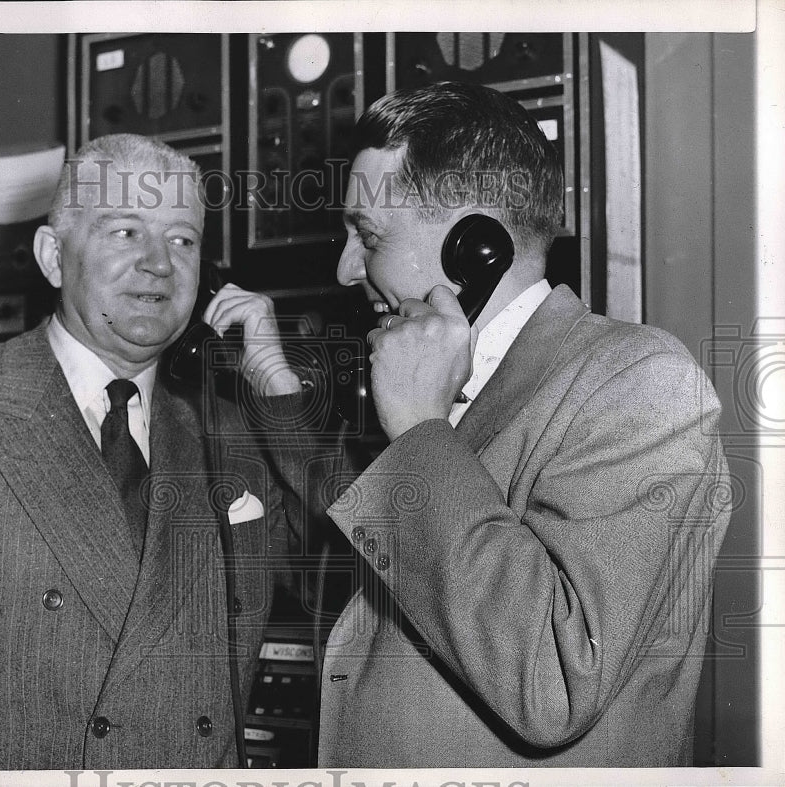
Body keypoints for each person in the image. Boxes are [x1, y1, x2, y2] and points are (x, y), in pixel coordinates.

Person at [0, 133, 306, 771]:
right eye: (126, 232)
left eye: (182, 239)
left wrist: (279, 390)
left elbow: (361, 592)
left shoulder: (233, 436)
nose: (160, 262)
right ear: (53, 257)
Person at [311, 82, 731, 767]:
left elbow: (556, 676)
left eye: (367, 234)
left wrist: (420, 430)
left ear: (473, 245)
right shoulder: (434, 393)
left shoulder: (642, 381)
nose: (345, 267)